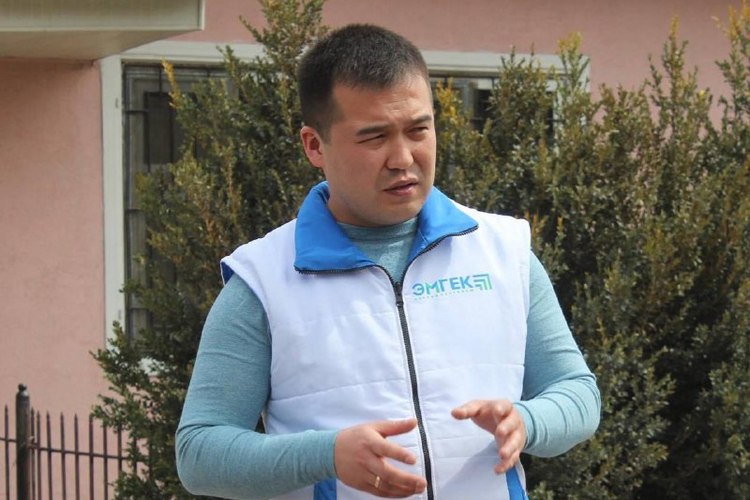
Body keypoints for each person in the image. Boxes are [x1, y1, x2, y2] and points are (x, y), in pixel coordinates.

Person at [176, 24, 600, 500]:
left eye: (419, 129)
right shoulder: (262, 281)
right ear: (314, 145)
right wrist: (326, 455)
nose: (403, 158)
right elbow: (199, 453)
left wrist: (527, 421)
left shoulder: (504, 251)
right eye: (374, 137)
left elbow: (578, 395)